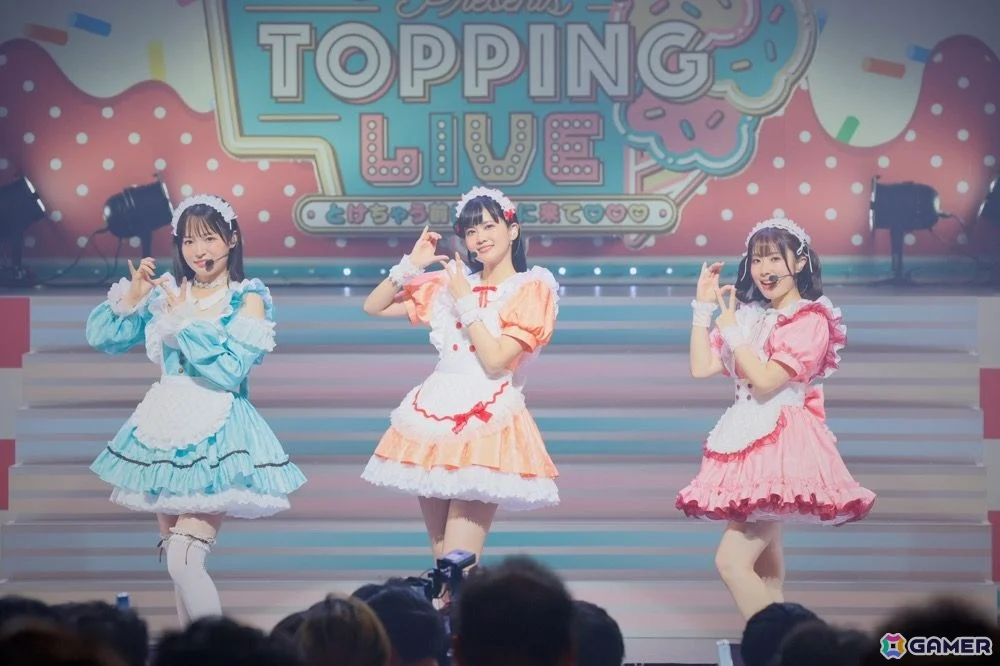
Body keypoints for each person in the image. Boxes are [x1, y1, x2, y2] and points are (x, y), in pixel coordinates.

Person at [85, 194, 306, 624]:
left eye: (209, 238)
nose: (198, 250)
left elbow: (230, 370)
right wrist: (133, 297)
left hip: (216, 426)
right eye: (188, 241)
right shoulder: (168, 292)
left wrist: (184, 322)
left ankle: (221, 651)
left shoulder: (246, 297)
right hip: (164, 425)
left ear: (232, 239)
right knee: (177, 563)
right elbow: (103, 338)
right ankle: (191, 650)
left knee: (184, 560)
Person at [677, 217, 876, 620]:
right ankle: (781, 645)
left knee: (731, 563)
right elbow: (701, 367)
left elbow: (767, 380)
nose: (764, 270)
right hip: (746, 436)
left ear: (799, 263)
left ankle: (774, 641)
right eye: (756, 260)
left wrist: (732, 331)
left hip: (780, 440)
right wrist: (703, 308)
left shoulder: (809, 319)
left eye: (773, 259)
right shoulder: (750, 316)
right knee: (767, 574)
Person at [360, 186, 560, 582]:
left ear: (512, 230)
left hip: (485, 417)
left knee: (457, 562)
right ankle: (448, 622)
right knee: (443, 565)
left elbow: (496, 358)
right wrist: (410, 265)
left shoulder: (530, 288)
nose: (479, 237)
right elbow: (373, 306)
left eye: (488, 226)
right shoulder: (449, 283)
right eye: (470, 231)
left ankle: (467, 621)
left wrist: (466, 301)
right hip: (434, 415)